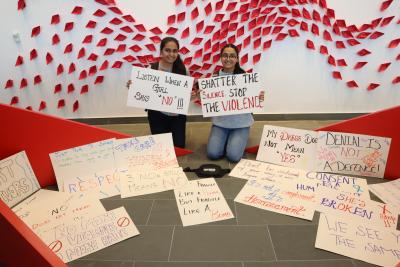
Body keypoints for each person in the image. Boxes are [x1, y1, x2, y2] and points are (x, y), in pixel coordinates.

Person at [206, 44, 264, 162]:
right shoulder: (214, 78)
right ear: (221, 58)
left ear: (237, 59)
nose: (228, 59)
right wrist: (202, 95)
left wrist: (259, 97)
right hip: (220, 123)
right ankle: (226, 138)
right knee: (213, 154)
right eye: (225, 56)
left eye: (232, 56)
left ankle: (238, 137)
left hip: (241, 123)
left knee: (233, 157)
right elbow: (210, 101)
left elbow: (252, 99)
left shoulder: (245, 78)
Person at [127, 37, 188, 148]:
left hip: (177, 117)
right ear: (161, 52)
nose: (171, 54)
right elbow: (144, 90)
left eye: (175, 51)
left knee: (178, 147)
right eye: (167, 50)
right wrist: (133, 86)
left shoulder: (183, 70)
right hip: (157, 115)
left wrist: (193, 95)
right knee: (160, 147)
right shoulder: (152, 69)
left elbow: (186, 95)